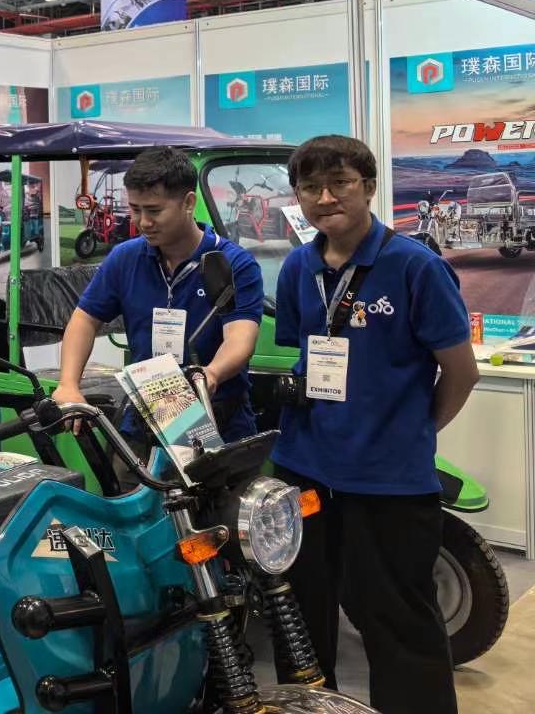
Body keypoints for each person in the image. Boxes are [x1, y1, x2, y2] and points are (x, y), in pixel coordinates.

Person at [272, 135, 477, 713]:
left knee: (396, 616)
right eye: (310, 187)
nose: (325, 198)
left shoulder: (416, 266)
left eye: (340, 183)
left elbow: (461, 373)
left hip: (389, 481)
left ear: (368, 186)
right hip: (305, 469)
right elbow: (306, 351)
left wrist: (411, 434)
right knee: (300, 611)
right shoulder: (298, 267)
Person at [54, 146, 265, 451]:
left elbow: (240, 338)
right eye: (135, 209)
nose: (143, 222)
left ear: (188, 203)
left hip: (217, 420)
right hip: (146, 419)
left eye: (154, 211)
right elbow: (85, 319)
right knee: (131, 482)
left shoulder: (233, 263)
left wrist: (211, 373)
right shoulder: (125, 258)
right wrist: (68, 384)